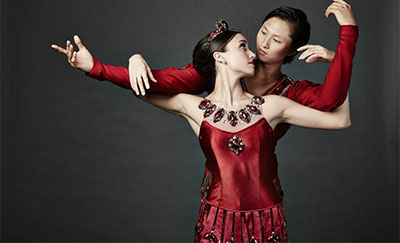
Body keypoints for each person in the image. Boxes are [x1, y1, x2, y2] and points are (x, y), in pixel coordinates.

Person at [52, 18, 351, 242]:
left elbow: (339, 118)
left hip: (266, 220)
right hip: (216, 220)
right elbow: (143, 87)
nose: (255, 52)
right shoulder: (193, 106)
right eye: (245, 45)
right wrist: (114, 64)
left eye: (274, 40)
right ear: (220, 57)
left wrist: (337, 59)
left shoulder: (272, 105)